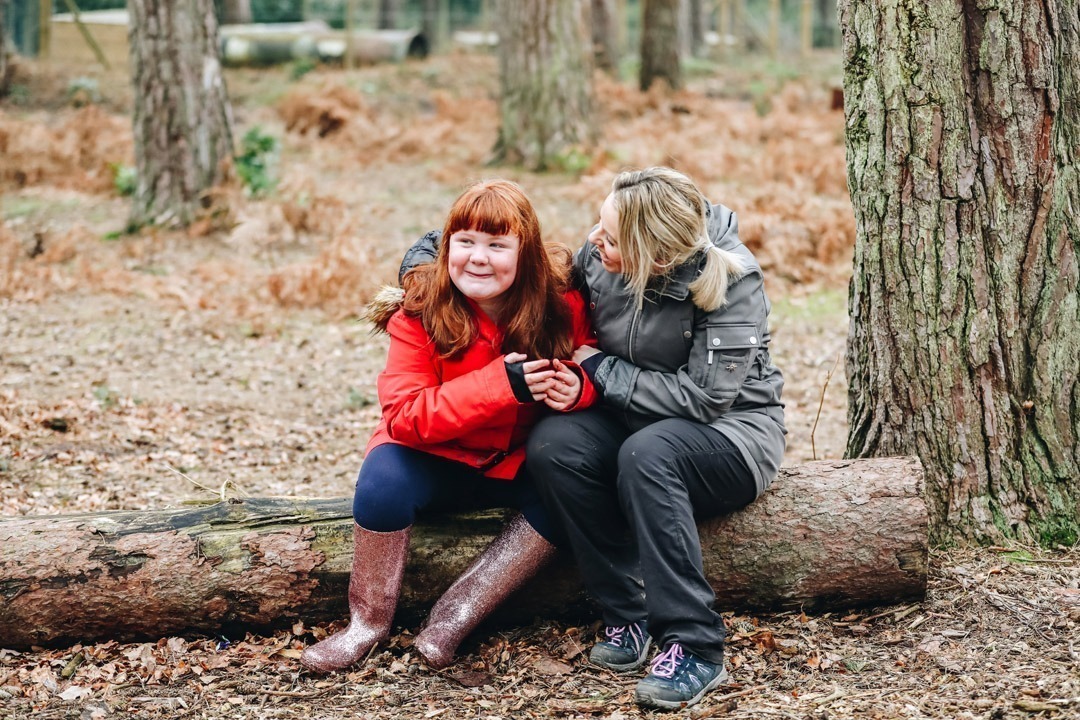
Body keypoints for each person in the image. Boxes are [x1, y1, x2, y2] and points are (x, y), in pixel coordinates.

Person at [301, 179, 596, 673]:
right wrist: (502, 385)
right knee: (382, 479)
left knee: (572, 488)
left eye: (498, 245)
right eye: (466, 242)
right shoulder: (418, 311)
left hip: (518, 461)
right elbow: (404, 416)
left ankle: (452, 620)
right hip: (438, 455)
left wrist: (577, 390)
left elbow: (590, 371)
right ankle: (367, 623)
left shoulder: (562, 306)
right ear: (447, 248)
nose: (478, 258)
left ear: (526, 254)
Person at [526, 167, 786, 711]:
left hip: (731, 433)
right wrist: (427, 271)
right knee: (555, 446)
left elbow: (706, 399)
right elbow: (529, 279)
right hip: (632, 418)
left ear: (655, 256)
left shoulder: (732, 280)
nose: (595, 241)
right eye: (599, 225)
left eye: (612, 237)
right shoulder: (600, 256)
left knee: (648, 455)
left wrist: (597, 369)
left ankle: (695, 646)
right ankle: (628, 613)